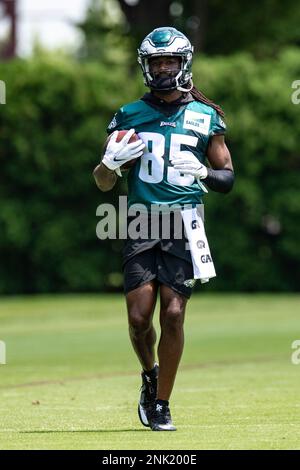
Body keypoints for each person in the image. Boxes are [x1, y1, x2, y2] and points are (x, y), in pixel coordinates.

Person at [93, 27, 234, 431]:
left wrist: (205, 172)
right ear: (146, 66)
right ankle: (150, 374)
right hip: (140, 220)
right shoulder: (128, 115)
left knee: (173, 313)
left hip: (185, 221)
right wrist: (111, 164)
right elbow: (102, 183)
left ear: (184, 63)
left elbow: (227, 179)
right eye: (157, 62)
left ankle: (162, 404)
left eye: (170, 61)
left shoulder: (207, 115)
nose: (163, 68)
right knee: (140, 319)